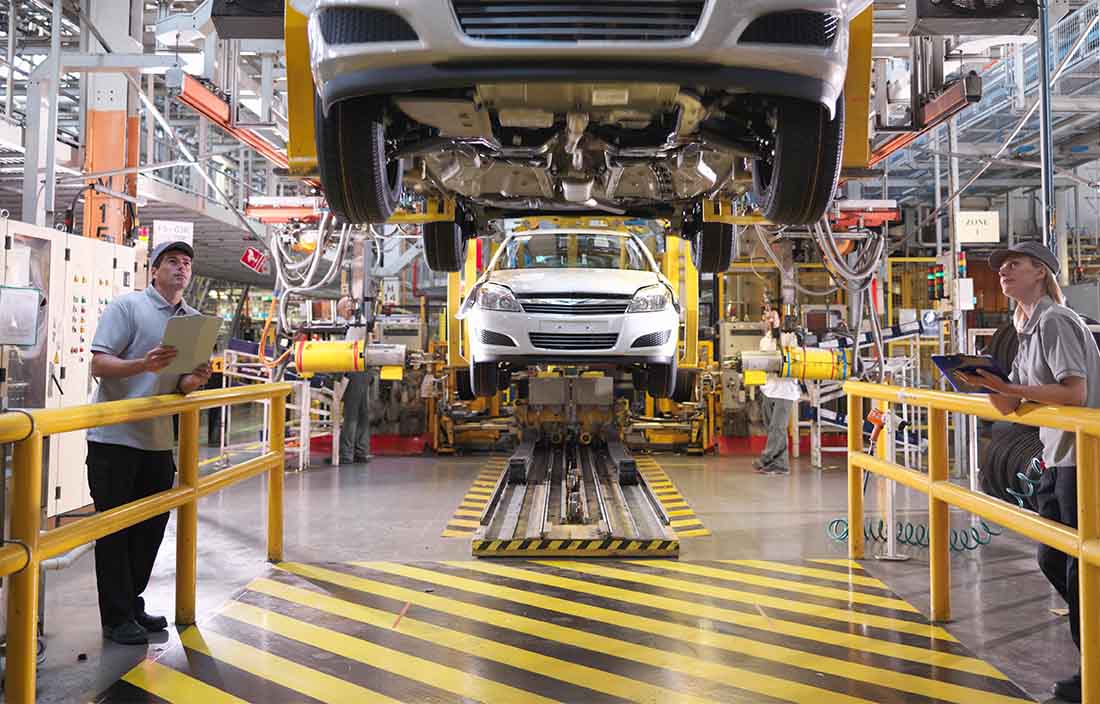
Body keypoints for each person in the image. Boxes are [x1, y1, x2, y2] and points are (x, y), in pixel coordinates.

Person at [962, 241, 1100, 703]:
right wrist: (984, 384)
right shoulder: (1023, 327)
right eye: (1001, 267)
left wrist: (1010, 386)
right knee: (1054, 559)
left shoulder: (1056, 321)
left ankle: (1093, 673)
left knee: (1079, 569)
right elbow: (1013, 403)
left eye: (1014, 265)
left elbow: (1075, 394)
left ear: (1040, 273)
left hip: (1081, 460)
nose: (1003, 272)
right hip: (1056, 457)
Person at [87, 240, 212, 645]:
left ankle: (131, 601)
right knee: (115, 530)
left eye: (187, 263)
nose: (182, 268)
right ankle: (117, 616)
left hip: (158, 440)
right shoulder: (128, 308)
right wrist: (143, 363)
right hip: (115, 440)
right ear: (154, 270)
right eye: (173, 261)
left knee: (151, 528)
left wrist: (194, 380)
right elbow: (99, 363)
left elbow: (179, 385)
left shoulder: (191, 320)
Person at [755, 309, 800, 475]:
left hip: (785, 391)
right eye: (767, 318)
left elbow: (792, 352)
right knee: (772, 428)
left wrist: (783, 330)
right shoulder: (764, 341)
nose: (769, 321)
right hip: (768, 389)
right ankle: (780, 465)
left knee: (777, 428)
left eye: (773, 318)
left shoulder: (789, 337)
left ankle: (765, 458)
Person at [336, 296, 374, 465]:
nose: (341, 316)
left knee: (351, 413)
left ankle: (346, 454)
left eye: (341, 312)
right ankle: (361, 451)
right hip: (365, 369)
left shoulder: (356, 323)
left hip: (356, 369)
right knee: (362, 412)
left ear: (347, 308)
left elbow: (347, 351)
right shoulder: (361, 321)